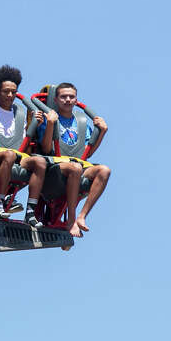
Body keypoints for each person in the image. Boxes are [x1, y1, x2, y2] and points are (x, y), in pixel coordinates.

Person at [0, 65, 53, 227]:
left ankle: (30, 212)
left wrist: (34, 126)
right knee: (9, 154)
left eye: (13, 92)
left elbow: (24, 148)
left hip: (15, 157)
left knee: (40, 162)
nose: (10, 95)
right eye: (6, 91)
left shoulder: (20, 112)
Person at [38, 82, 110, 236]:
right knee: (75, 168)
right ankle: (70, 220)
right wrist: (50, 124)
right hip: (54, 167)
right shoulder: (49, 118)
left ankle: (81, 217)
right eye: (63, 97)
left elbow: (87, 153)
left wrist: (102, 132)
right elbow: (46, 149)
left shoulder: (81, 122)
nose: (68, 100)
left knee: (104, 170)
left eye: (71, 97)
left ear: (76, 100)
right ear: (56, 100)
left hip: (77, 166)